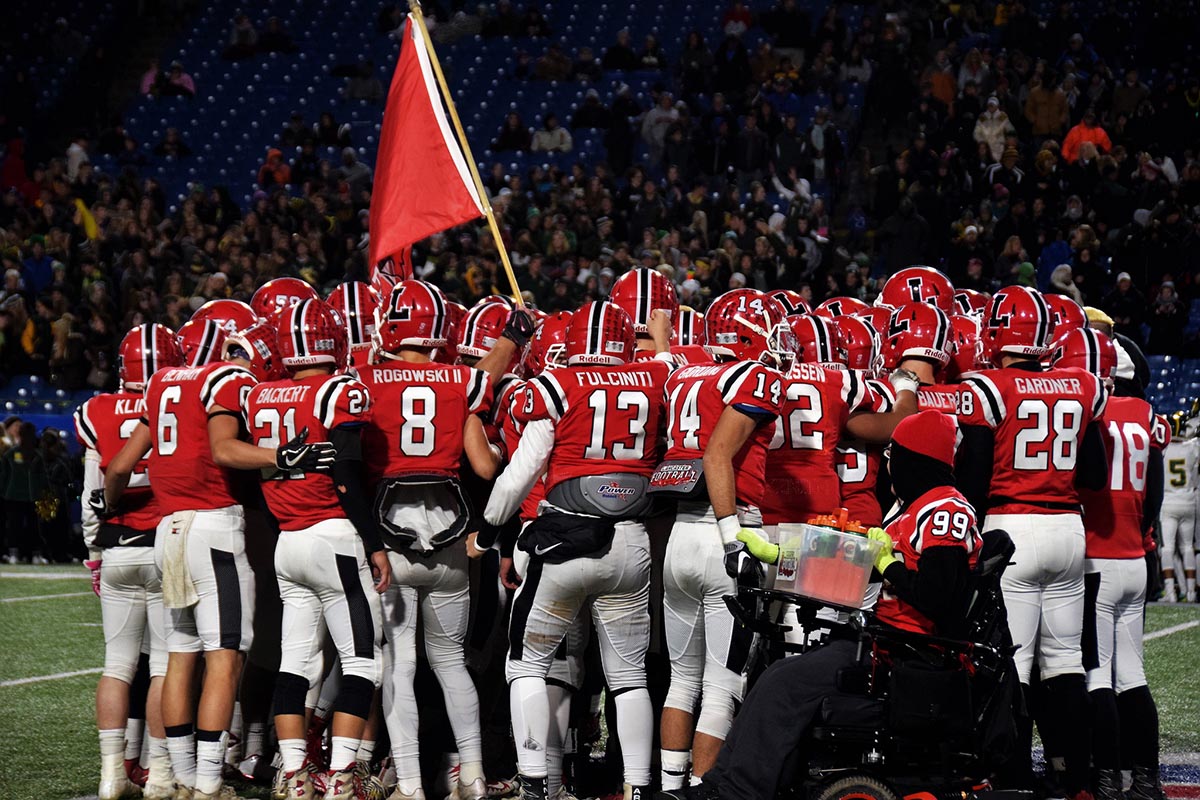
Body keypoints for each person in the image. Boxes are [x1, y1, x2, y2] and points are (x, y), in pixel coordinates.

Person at [666, 410, 981, 800]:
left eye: (893, 455)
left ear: (915, 458)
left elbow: (935, 596)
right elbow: (852, 565)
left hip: (906, 652)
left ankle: (734, 792)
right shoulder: (919, 507)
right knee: (778, 674)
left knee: (783, 683)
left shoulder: (944, 510)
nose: (889, 465)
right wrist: (780, 555)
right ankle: (722, 785)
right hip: (888, 643)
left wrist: (889, 566)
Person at [99, 320, 335, 800]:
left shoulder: (162, 381)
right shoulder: (228, 380)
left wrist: (109, 507)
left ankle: (181, 775)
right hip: (214, 529)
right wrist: (285, 456)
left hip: (167, 530)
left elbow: (121, 465)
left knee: (180, 655)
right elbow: (225, 450)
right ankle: (208, 782)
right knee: (225, 659)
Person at [479, 303, 673, 800]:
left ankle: (534, 783)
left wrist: (486, 533)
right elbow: (667, 365)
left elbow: (518, 475)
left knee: (525, 665)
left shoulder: (558, 384)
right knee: (628, 675)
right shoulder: (655, 375)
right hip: (632, 541)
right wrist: (662, 336)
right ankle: (638, 787)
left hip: (566, 540)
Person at [356, 280, 529, 800]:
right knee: (451, 663)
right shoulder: (460, 381)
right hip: (450, 539)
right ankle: (472, 775)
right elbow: (484, 447)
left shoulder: (364, 380)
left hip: (389, 538)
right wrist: (513, 335)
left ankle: (409, 783)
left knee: (401, 665)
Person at [957, 286, 1108, 800]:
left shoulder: (989, 386)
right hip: (1069, 529)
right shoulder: (1081, 384)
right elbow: (1093, 471)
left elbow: (974, 478)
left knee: (1013, 664)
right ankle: (1076, 779)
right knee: (1066, 661)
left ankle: (1014, 780)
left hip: (1011, 527)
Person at [242, 300, 390, 799]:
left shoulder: (260, 394)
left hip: (289, 540)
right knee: (362, 662)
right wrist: (374, 541)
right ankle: (344, 775)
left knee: (296, 665)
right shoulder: (339, 389)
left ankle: (295, 774)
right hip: (334, 537)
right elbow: (347, 473)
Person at [1059, 328, 1168, 800]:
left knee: (1097, 677)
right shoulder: (1149, 416)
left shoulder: (1091, 414)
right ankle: (1146, 779)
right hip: (1134, 557)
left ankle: (1106, 780)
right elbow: (1155, 496)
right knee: (1134, 676)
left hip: (1097, 558)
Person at [77, 324, 183, 800]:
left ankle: (110, 775)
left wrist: (95, 551)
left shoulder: (97, 409)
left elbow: (91, 495)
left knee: (117, 664)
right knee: (162, 665)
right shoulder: (175, 399)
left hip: (118, 546)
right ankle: (159, 773)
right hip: (165, 544)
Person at [1160, 411, 1198, 602]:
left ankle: (1171, 592)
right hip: (1188, 500)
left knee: (1167, 548)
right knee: (1187, 546)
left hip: (1168, 502)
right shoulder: (1193, 447)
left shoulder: (1163, 450)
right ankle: (1191, 592)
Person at [1, 421, 45, 563]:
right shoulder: (11, 454)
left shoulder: (38, 456)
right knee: (14, 525)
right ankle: (14, 553)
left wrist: (45, 494)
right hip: (14, 496)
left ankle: (35, 554)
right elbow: (4, 475)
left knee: (34, 526)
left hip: (34, 496)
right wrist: (3, 493)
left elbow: (43, 477)